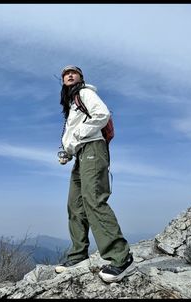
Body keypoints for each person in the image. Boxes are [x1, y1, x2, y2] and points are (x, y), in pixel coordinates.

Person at [55, 65, 136, 283]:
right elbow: (75, 133)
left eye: (73, 72)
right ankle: (78, 254)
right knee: (75, 204)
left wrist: (79, 135)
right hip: (81, 154)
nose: (69, 75)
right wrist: (68, 151)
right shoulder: (72, 103)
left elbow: (102, 114)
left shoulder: (84, 93)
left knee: (94, 200)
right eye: (65, 74)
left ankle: (121, 257)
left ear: (81, 77)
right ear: (62, 81)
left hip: (92, 149)